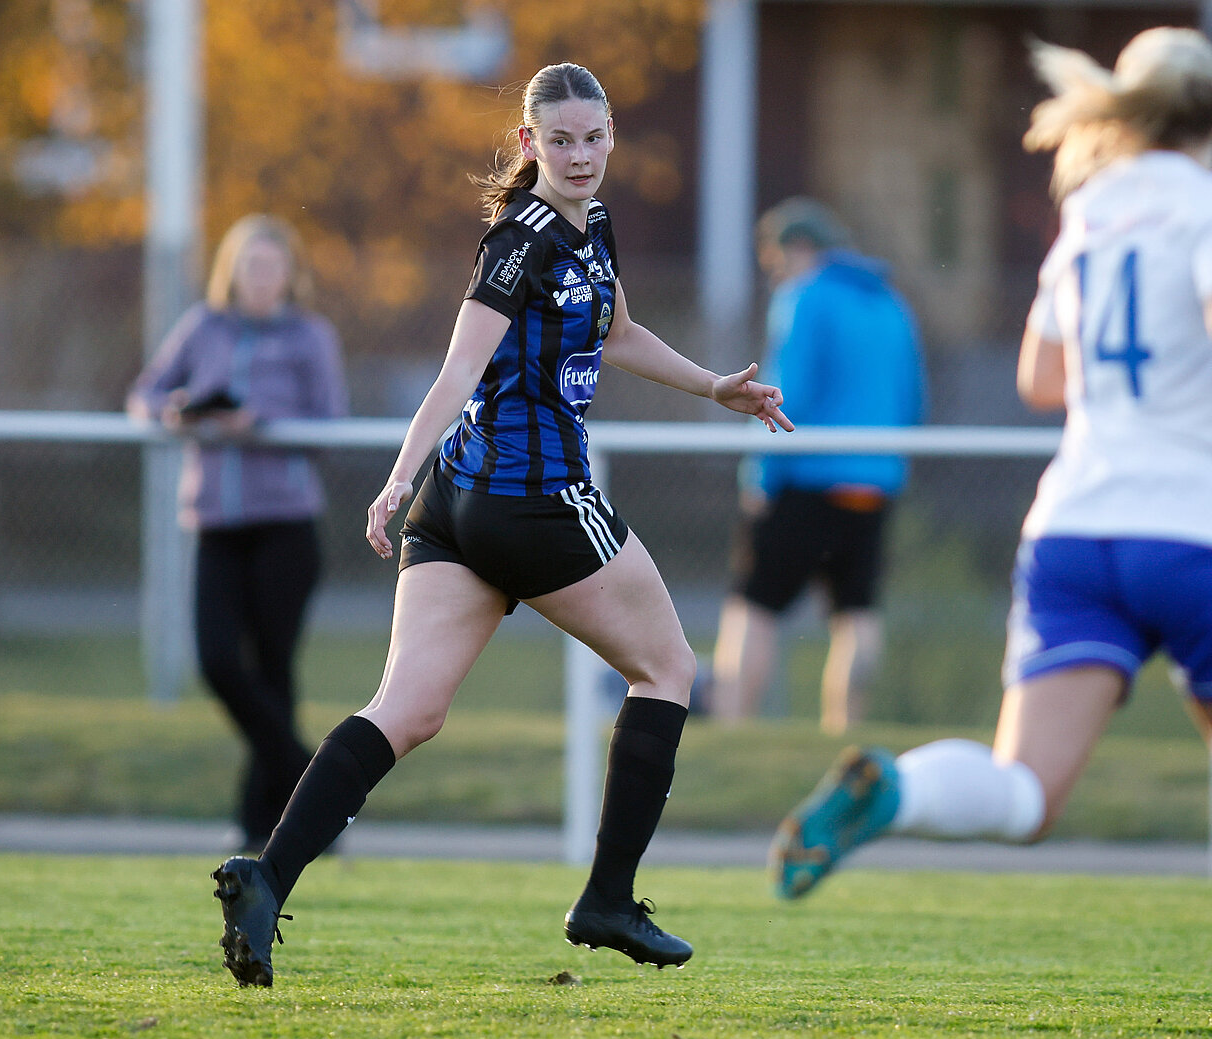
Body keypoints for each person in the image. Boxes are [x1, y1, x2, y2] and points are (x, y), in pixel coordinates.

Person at [210, 62, 793, 987]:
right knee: (671, 668)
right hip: (531, 498)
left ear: (610, 136)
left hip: (462, 504)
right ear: (529, 145)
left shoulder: (591, 224)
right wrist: (395, 476)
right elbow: (455, 370)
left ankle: (266, 876)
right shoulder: (517, 242)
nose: (582, 155)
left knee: (408, 710)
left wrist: (714, 385)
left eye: (595, 136)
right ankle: (606, 898)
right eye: (560, 140)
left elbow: (619, 332)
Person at [771, 27, 1212, 900]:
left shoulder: (1090, 213)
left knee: (1024, 794)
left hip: (1078, 531)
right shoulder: (1203, 207)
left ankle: (897, 790)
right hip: (1194, 529)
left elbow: (1041, 376)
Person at [128, 215, 348, 854]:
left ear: (289, 275)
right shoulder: (203, 326)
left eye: (272, 266)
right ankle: (318, 783)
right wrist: (175, 413)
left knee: (275, 671)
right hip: (217, 524)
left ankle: (262, 829)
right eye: (251, 265)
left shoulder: (310, 336)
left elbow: (330, 423)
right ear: (232, 269)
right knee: (220, 662)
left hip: (285, 525)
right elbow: (145, 393)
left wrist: (264, 424)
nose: (261, 278)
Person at [710, 199, 925, 734]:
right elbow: (913, 399)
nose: (776, 276)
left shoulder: (804, 298)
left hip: (806, 482)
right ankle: (843, 735)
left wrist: (758, 479)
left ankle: (732, 731)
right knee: (857, 616)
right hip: (874, 484)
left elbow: (785, 397)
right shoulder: (892, 305)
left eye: (776, 263)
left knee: (753, 608)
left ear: (799, 249)